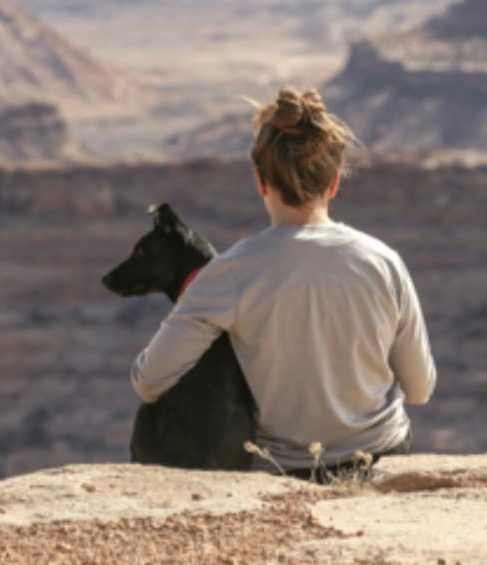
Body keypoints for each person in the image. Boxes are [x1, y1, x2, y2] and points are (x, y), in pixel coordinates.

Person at [131, 86, 436, 474]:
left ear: (260, 181)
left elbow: (148, 381)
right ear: (334, 183)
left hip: (286, 470)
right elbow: (420, 390)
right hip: (381, 457)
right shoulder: (384, 262)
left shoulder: (228, 273)